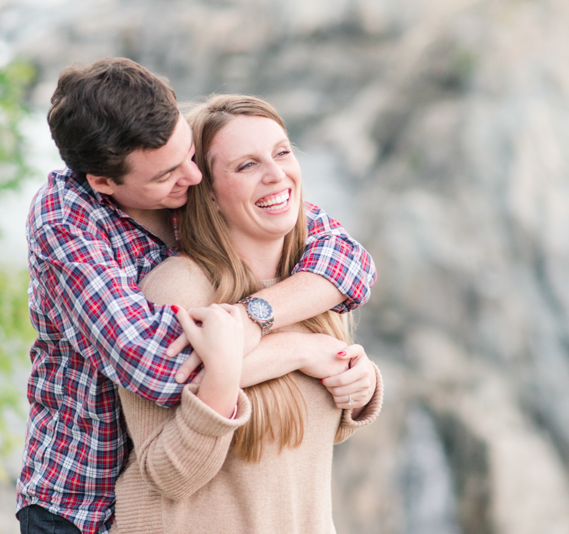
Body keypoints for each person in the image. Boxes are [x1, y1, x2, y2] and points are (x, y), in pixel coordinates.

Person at [17, 58, 377, 534]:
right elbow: (157, 363)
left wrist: (351, 376)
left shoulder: (201, 193)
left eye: (190, 153)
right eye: (167, 174)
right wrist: (302, 348)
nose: (192, 177)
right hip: (80, 503)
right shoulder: (68, 225)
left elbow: (348, 261)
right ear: (104, 182)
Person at [110, 94, 383, 534]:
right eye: (246, 165)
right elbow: (170, 474)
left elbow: (291, 446)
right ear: (211, 195)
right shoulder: (178, 289)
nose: (276, 175)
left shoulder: (309, 280)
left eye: (282, 152)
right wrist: (298, 349)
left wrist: (360, 383)